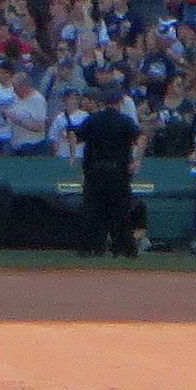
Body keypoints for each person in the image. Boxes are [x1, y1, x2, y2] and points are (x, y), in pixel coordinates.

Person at [75, 82, 143, 258]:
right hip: (118, 172)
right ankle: (123, 249)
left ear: (104, 102)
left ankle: (91, 248)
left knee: (92, 211)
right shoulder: (125, 121)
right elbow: (141, 138)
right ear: (119, 102)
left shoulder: (93, 119)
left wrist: (74, 158)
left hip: (95, 171)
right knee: (120, 212)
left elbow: (76, 136)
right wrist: (137, 160)